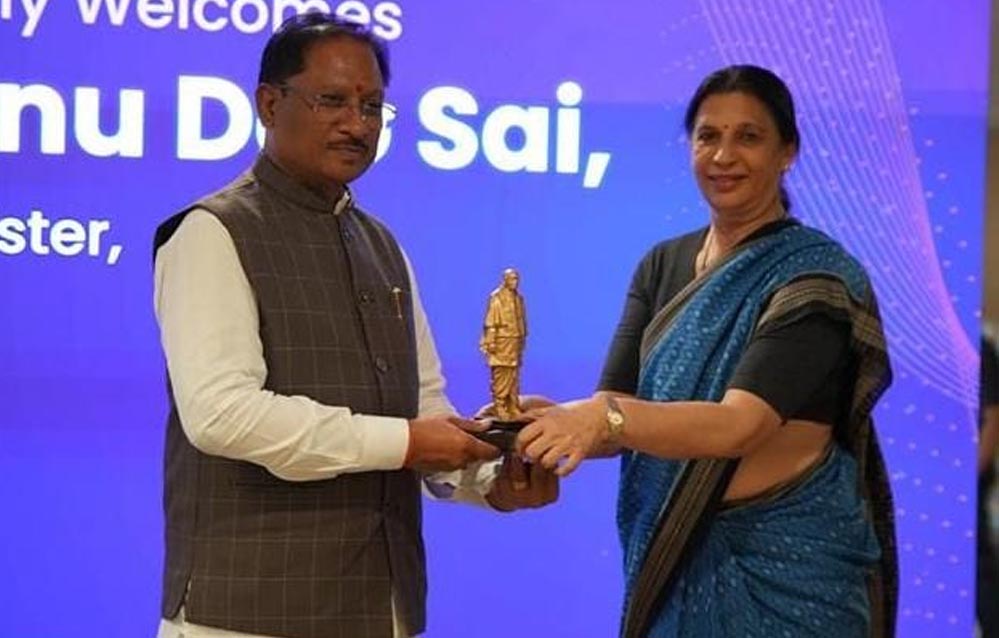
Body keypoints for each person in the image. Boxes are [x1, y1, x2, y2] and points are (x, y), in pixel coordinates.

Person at [152, 13, 555, 638]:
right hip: (246, 614)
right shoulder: (211, 232)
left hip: (380, 608)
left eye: (371, 106)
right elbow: (222, 415)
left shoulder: (381, 244)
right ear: (268, 104)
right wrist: (408, 443)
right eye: (332, 101)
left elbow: (423, 409)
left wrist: (492, 477)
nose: (357, 124)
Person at [516, 65, 897, 637]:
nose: (724, 156)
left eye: (749, 137)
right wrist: (550, 424)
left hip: (793, 575)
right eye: (708, 136)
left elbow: (740, 426)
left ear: (787, 152)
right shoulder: (662, 265)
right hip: (678, 563)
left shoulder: (814, 278)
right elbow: (615, 414)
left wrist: (600, 418)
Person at [480, 268, 528, 421]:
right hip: (502, 341)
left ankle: (513, 405)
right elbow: (491, 322)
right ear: (505, 280)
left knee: (514, 375)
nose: (515, 282)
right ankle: (500, 405)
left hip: (515, 340)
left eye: (517, 278)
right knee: (502, 374)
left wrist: (522, 337)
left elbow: (521, 319)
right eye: (512, 278)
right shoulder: (497, 297)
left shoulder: (518, 298)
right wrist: (490, 341)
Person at [979, 335, 999, 637]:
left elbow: (993, 417)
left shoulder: (979, 347)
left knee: (979, 567)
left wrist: (974, 471)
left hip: (967, 486)